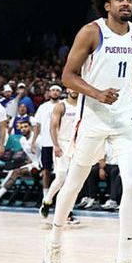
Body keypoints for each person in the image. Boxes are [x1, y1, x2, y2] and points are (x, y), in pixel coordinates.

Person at [42, 0, 132, 263]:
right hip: (93, 118)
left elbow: (131, 74)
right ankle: (54, 242)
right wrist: (96, 93)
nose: (126, 4)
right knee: (73, 183)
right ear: (106, 4)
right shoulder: (91, 33)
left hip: (125, 120)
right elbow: (68, 75)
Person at [39, 89, 83, 222]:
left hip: (77, 145)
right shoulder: (61, 106)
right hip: (62, 144)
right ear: (68, 89)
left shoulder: (83, 106)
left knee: (74, 181)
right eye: (71, 87)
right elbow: (52, 127)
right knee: (61, 177)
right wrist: (56, 145)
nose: (74, 90)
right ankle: (47, 201)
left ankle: (68, 212)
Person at [32, 84, 62, 199]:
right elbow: (37, 126)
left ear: (60, 93)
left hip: (60, 144)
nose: (55, 92)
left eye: (57, 90)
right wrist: (33, 141)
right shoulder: (43, 107)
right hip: (46, 143)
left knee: (60, 171)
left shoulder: (63, 105)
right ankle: (46, 195)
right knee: (46, 170)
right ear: (49, 93)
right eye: (53, 90)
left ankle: (59, 196)